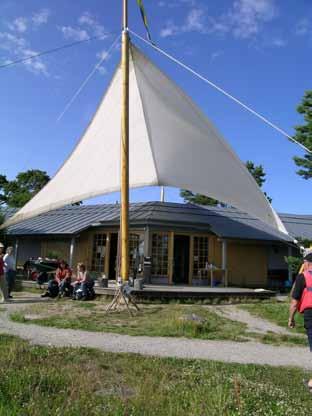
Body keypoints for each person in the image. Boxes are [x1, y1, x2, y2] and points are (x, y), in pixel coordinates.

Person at [289, 252, 312, 390]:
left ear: (307, 263)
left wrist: (291, 318)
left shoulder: (302, 277)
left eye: (304, 263)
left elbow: (294, 302)